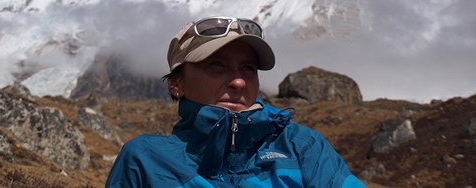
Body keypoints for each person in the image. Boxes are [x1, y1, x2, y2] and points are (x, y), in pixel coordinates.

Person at [106, 16, 364, 187]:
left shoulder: (302, 146)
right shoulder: (145, 159)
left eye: (248, 69)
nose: (239, 82)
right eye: (217, 66)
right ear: (177, 83)